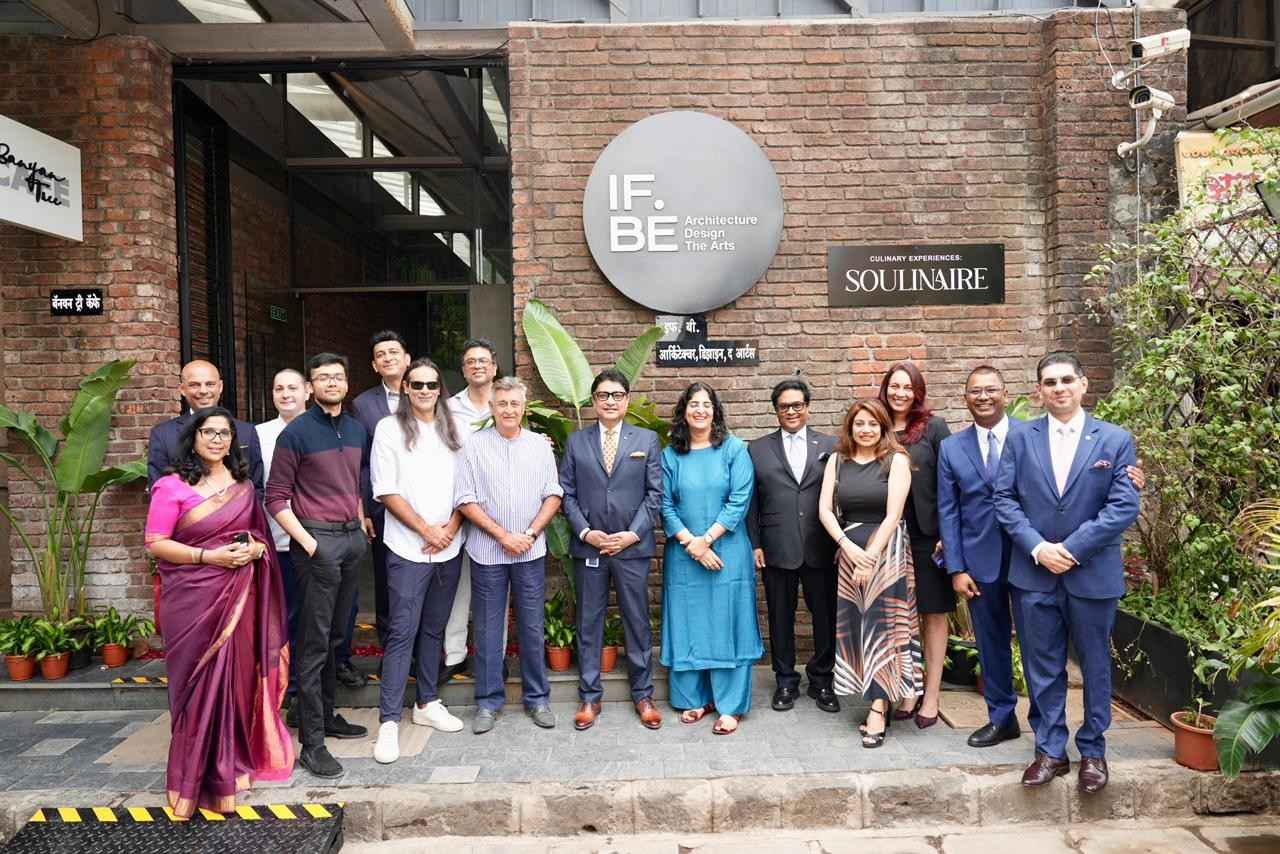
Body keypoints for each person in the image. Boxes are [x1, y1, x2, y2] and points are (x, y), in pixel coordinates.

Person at [994, 352, 1140, 794]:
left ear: (1083, 384)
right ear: (1038, 391)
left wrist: (1071, 550)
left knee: (1095, 665)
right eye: (1049, 382)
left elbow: (1123, 506)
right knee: (1042, 666)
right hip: (1034, 572)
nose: (1058, 388)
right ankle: (1050, 750)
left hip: (1092, 573)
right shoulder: (1020, 438)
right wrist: (1039, 548)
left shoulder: (1114, 440)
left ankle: (1093, 750)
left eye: (1066, 380)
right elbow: (1004, 499)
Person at [144, 407, 292, 818]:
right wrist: (209, 557)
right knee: (196, 685)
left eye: (224, 433)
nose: (216, 439)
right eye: (208, 432)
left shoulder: (242, 486)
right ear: (193, 438)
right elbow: (156, 543)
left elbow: (259, 537)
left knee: (237, 681)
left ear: (232, 442)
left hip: (239, 599)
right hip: (192, 600)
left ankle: (232, 766)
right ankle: (194, 777)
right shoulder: (171, 486)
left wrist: (256, 549)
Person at [265, 353, 373, 779]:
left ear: (346, 383)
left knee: (337, 636)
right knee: (313, 644)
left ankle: (327, 716)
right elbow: (276, 497)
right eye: (323, 377)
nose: (331, 382)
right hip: (316, 542)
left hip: (350, 540)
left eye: (338, 376)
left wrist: (359, 524)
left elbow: (355, 483)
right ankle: (312, 744)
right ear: (311, 387)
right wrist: (310, 544)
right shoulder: (296, 433)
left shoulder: (356, 429)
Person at [370, 358, 467, 764]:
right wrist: (426, 529)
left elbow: (469, 486)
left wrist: (450, 528)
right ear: (406, 389)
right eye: (417, 385)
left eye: (431, 385)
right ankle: (389, 721)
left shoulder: (456, 428)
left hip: (450, 545)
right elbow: (386, 489)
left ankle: (426, 703)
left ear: (440, 389)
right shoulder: (388, 428)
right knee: (402, 631)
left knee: (433, 629)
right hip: (408, 547)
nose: (425, 391)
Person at [454, 376, 563, 734]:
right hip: (488, 552)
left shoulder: (539, 446)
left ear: (523, 407)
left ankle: (538, 699)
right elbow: (465, 498)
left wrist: (529, 533)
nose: (508, 410)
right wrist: (502, 535)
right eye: (502, 403)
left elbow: (553, 494)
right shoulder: (473, 446)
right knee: (487, 628)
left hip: (530, 550)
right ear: (491, 407)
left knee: (532, 626)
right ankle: (488, 702)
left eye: (515, 403)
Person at [559, 369, 664, 731]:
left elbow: (655, 494)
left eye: (617, 395)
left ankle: (643, 695)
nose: (610, 401)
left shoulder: (646, 440)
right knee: (589, 622)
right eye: (603, 395)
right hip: (590, 547)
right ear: (593, 401)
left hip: (631, 548)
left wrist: (632, 535)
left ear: (627, 400)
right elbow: (566, 494)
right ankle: (590, 696)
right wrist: (586, 532)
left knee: (637, 620)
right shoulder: (576, 442)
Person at [819, 398, 919, 749]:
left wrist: (870, 556)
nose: (865, 429)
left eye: (872, 423)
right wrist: (848, 548)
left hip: (886, 552)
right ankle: (877, 695)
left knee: (884, 630)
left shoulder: (897, 460)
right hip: (850, 550)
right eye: (859, 423)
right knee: (858, 629)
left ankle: (878, 708)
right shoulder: (837, 460)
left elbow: (893, 515)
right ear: (850, 427)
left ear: (883, 427)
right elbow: (825, 511)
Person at [660, 382, 760, 736]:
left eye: (706, 404)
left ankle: (730, 705)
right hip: (684, 553)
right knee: (689, 622)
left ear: (715, 411)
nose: (700, 410)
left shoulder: (733, 450)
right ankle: (696, 699)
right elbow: (664, 504)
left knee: (728, 623)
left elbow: (739, 500)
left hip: (727, 551)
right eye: (693, 404)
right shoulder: (671, 455)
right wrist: (692, 543)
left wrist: (706, 541)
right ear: (683, 411)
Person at [747, 379, 840, 714]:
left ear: (807, 407)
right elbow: (751, 502)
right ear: (775, 410)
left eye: (797, 405)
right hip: (776, 546)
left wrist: (842, 540)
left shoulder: (830, 445)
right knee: (780, 616)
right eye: (784, 406)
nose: (791, 411)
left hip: (821, 546)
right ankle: (785, 680)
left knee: (825, 617)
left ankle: (822, 680)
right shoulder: (757, 449)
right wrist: (755, 543)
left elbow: (840, 495)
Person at [878, 362, 951, 728]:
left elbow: (951, 481)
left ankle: (931, 695)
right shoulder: (875, 426)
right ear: (885, 389)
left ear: (918, 392)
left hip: (928, 536)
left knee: (933, 613)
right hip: (887, 536)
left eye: (908, 387)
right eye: (895, 386)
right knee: (898, 617)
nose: (900, 393)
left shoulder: (934, 428)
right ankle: (909, 689)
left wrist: (947, 534)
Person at [340, 330, 413, 689]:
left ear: (407, 359)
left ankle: (423, 651)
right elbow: (359, 461)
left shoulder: (426, 392)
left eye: (393, 352)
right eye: (381, 354)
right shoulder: (363, 404)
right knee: (388, 580)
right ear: (374, 365)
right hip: (383, 506)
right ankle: (391, 652)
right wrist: (364, 509)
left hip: (427, 505)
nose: (388, 358)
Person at [442, 337, 500, 681]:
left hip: (499, 509)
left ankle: (493, 656)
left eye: (483, 361)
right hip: (458, 506)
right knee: (457, 583)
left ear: (494, 367)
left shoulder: (508, 402)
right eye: (470, 362)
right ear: (463, 370)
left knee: (495, 588)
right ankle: (454, 654)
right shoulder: (449, 408)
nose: (477, 366)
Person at [255, 368, 310, 714]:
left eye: (292, 387)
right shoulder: (258, 434)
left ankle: (314, 681)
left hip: (319, 540)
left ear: (307, 391)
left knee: (316, 617)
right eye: (279, 388)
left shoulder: (323, 428)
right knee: (286, 615)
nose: (286, 394)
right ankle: (288, 685)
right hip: (279, 541)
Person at [148, 359, 263, 497]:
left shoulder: (246, 431)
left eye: (210, 384)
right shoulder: (163, 434)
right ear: (182, 389)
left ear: (220, 386)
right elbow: (159, 493)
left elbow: (256, 489)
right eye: (194, 385)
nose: (203, 391)